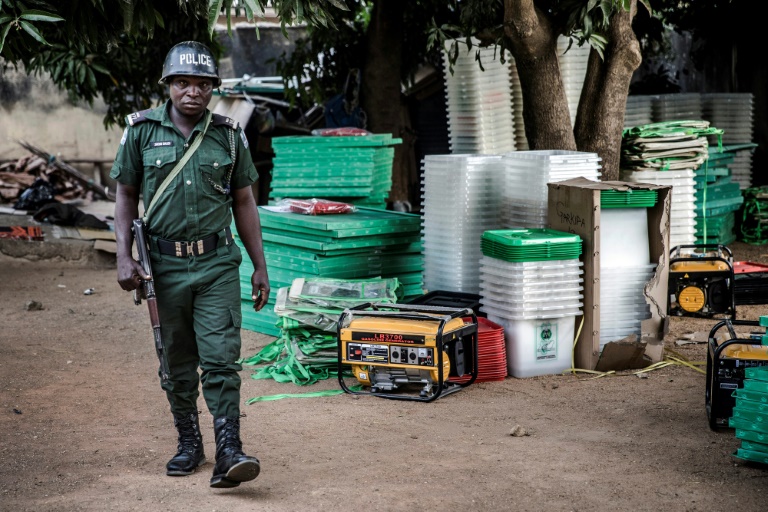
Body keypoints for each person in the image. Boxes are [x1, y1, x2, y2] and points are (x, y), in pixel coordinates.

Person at [110, 40, 270, 489]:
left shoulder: (229, 134)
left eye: (202, 84)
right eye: (183, 82)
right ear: (168, 86)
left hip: (217, 263)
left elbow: (244, 200)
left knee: (221, 358)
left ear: (212, 89)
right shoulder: (140, 131)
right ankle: (188, 442)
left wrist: (259, 265)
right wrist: (124, 257)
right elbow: (124, 195)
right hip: (162, 268)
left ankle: (229, 450)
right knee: (176, 361)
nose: (193, 92)